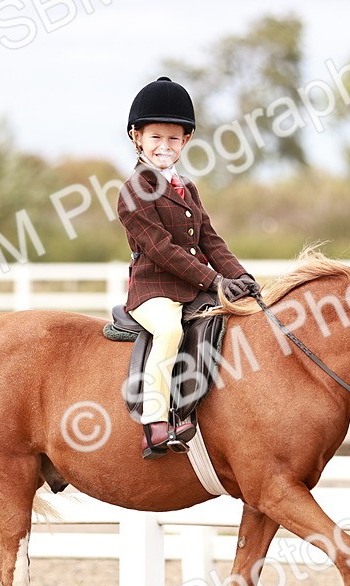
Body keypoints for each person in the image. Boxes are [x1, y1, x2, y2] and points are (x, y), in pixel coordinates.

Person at [116, 77, 259, 459]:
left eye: (174, 139)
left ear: (186, 141)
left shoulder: (187, 188)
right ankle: (156, 421)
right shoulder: (132, 191)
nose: (165, 146)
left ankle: (198, 410)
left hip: (193, 288)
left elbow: (210, 240)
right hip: (152, 291)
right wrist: (214, 280)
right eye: (156, 138)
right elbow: (162, 250)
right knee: (168, 332)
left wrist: (239, 276)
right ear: (137, 137)